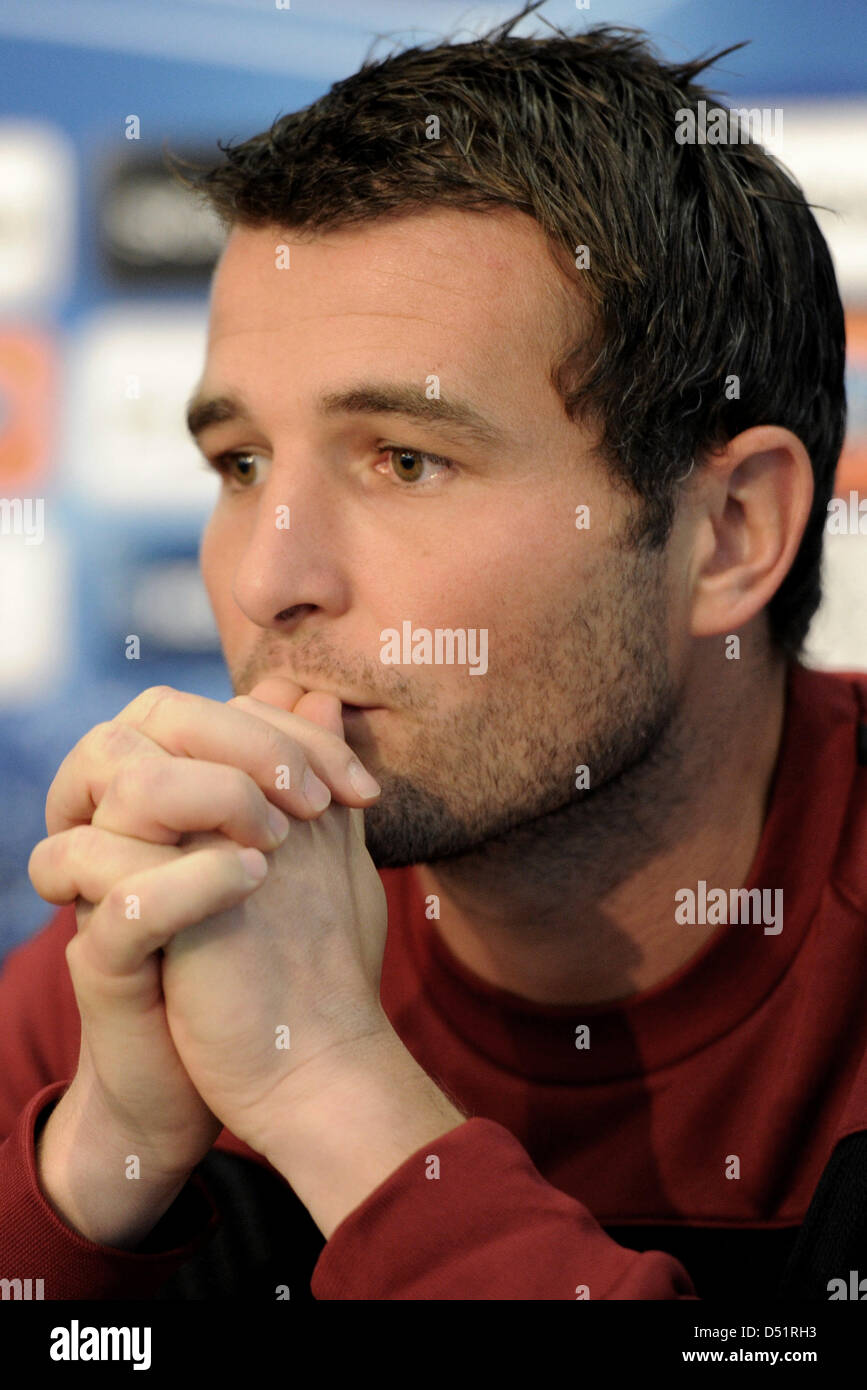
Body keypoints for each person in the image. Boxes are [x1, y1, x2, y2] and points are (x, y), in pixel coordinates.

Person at [1, 4, 864, 1302]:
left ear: (730, 533)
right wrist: (98, 1173)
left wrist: (327, 1091)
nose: (266, 578)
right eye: (239, 464)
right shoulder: (149, 944)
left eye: (406, 460)